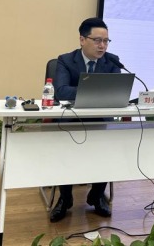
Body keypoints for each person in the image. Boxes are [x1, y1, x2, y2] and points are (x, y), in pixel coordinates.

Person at [49, 17, 121, 223]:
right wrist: (95, 88)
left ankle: (97, 196)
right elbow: (61, 91)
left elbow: (116, 91)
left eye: (106, 41)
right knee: (65, 149)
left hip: (100, 120)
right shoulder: (65, 60)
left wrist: (91, 90)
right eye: (97, 40)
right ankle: (65, 198)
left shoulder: (112, 61)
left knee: (111, 146)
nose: (102, 46)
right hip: (71, 119)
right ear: (82, 40)